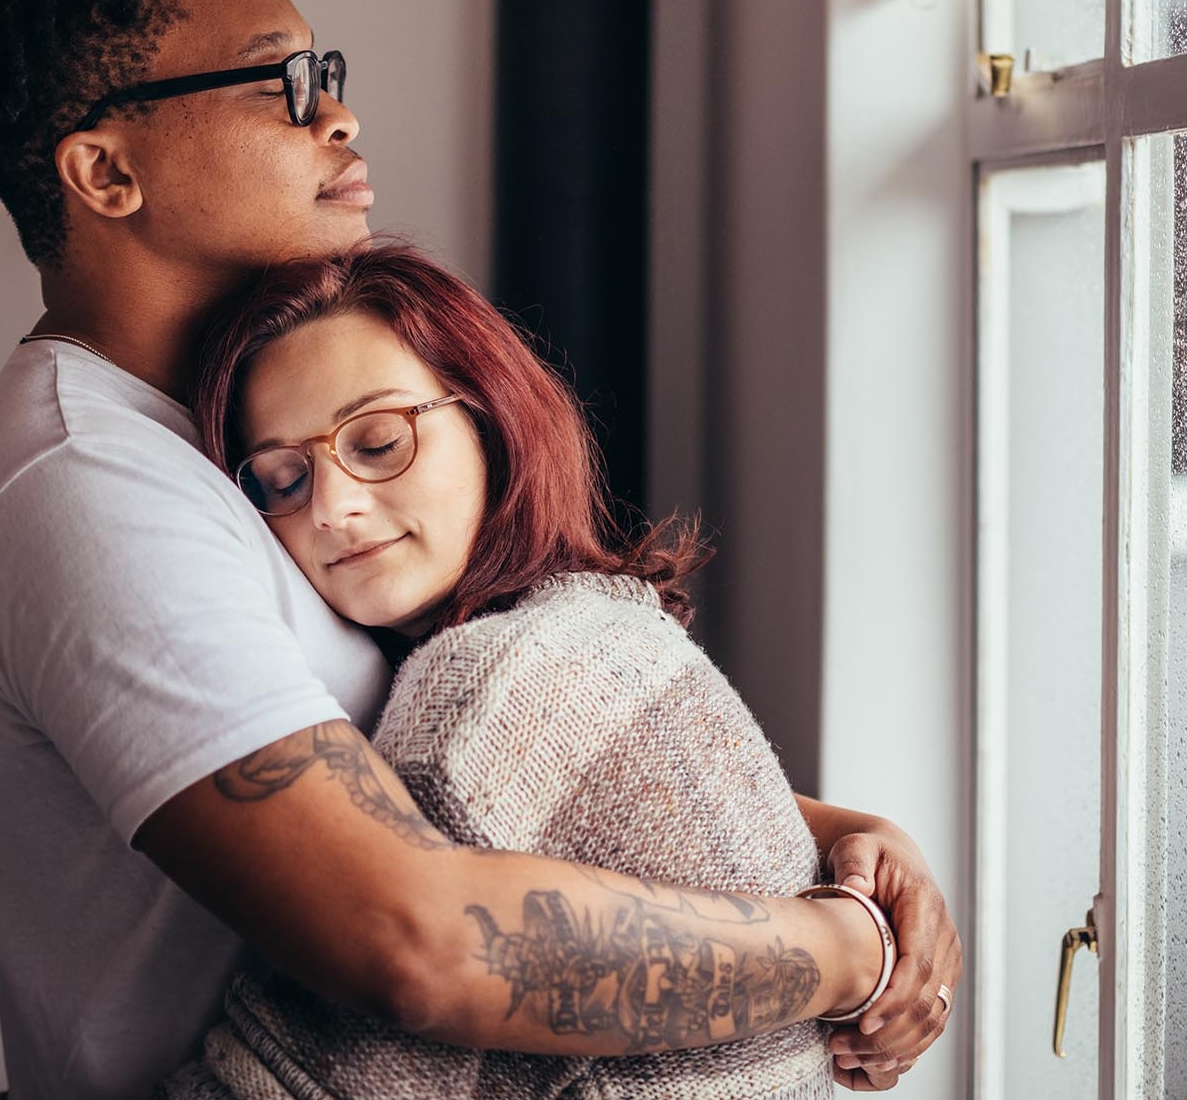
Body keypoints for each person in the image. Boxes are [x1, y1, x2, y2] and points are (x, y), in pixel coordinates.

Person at [0, 0, 961, 1100]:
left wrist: (836, 841)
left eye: (330, 75)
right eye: (282, 82)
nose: (340, 113)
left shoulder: (213, 433)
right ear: (105, 169)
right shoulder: (95, 487)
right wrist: (842, 947)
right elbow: (413, 938)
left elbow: (449, 765)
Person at [160, 243, 884, 1099]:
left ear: (491, 416)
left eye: (380, 440)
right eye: (283, 477)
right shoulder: (609, 624)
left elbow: (297, 1081)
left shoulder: (483, 685)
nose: (332, 506)